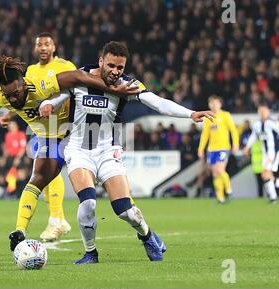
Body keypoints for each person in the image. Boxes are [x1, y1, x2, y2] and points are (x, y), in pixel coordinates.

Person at [39, 41, 214, 264]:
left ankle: (147, 235)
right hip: (79, 149)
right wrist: (48, 104)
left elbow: (158, 103)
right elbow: (59, 97)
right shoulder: (81, 77)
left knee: (125, 211)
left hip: (108, 151)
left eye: (120, 67)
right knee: (88, 203)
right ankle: (91, 252)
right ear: (101, 61)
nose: (115, 71)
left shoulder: (128, 85)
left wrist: (190, 114)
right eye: (111, 65)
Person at [0, 53, 139, 251]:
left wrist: (113, 88)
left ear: (23, 83)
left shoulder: (41, 85)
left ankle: (133, 215)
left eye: (15, 92)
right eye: (8, 95)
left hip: (79, 135)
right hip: (51, 139)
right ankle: (20, 231)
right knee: (37, 179)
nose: (13, 98)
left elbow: (78, 76)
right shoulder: (5, 96)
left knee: (112, 188)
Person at [0, 33, 76, 242]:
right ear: (34, 49)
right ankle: (56, 218)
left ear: (54, 47)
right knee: (47, 171)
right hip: (42, 129)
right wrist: (9, 113)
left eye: (47, 44)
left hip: (66, 127)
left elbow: (75, 89)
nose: (43, 47)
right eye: (39, 44)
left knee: (50, 172)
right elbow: (26, 99)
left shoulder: (65, 65)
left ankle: (58, 219)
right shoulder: (31, 71)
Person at [243, 102, 279, 203]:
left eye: (264, 110)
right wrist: (247, 147)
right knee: (267, 175)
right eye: (260, 110)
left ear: (268, 111)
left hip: (273, 153)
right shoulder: (257, 124)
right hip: (265, 154)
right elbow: (254, 136)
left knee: (266, 174)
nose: (262, 112)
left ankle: (274, 197)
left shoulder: (273, 123)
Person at [198, 96, 239, 204]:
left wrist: (235, 144)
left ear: (220, 104)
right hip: (211, 149)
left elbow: (233, 130)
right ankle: (220, 198)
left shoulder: (225, 115)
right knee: (215, 174)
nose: (214, 105)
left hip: (223, 148)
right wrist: (201, 149)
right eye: (211, 104)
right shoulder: (207, 118)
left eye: (216, 103)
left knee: (220, 170)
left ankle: (229, 190)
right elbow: (205, 135)